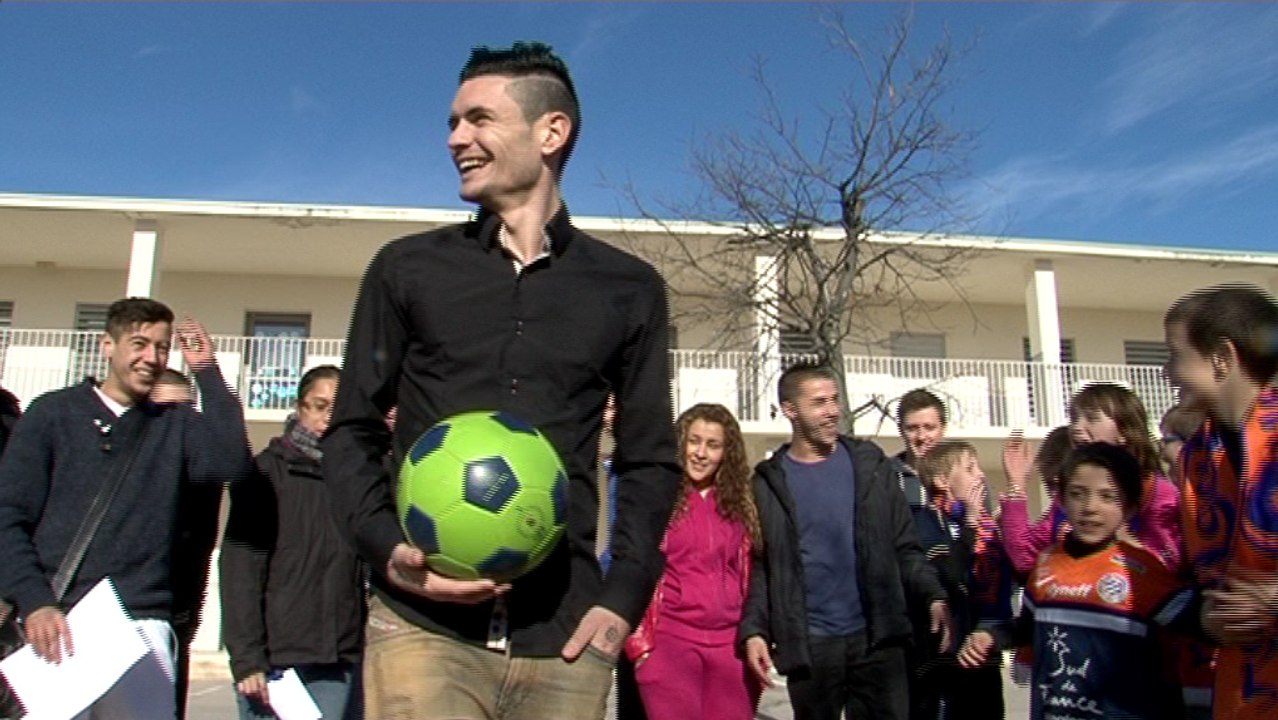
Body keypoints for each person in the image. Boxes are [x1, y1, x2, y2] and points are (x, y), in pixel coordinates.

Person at [322, 42, 681, 720]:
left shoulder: (629, 290)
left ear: (551, 132)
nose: (457, 138)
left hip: (566, 639)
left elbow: (649, 456)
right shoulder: (406, 270)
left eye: (479, 119)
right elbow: (352, 428)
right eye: (453, 123)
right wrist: (386, 547)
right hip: (422, 630)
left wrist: (623, 596)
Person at [0, 298, 250, 718]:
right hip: (57, 623)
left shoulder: (177, 425)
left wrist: (207, 372)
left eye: (162, 347)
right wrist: (35, 600)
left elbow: (232, 462)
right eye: (139, 343)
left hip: (141, 625)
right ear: (106, 346)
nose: (151, 357)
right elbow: (8, 516)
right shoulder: (53, 414)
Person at [739, 363, 950, 720]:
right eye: (819, 402)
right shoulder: (767, 483)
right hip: (811, 645)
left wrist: (933, 595)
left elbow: (905, 546)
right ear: (790, 410)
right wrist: (755, 629)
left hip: (878, 640)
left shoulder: (872, 466)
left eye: (835, 400)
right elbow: (763, 566)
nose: (833, 411)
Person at [960, 443, 1200, 719]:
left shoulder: (1144, 573)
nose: (1090, 508)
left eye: (1108, 497)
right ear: (1060, 498)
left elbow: (1203, 624)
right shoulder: (1046, 563)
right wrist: (991, 636)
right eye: (1078, 494)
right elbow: (1027, 628)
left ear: (1131, 507)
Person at [221, 364, 365, 720]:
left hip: (340, 657)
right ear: (301, 409)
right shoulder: (267, 474)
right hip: (277, 664)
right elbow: (240, 569)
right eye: (320, 405)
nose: (328, 417)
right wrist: (247, 659)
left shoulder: (357, 480)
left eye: (339, 407)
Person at [1164, 283, 1278, 720]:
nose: (1167, 372)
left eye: (1175, 354)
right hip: (1240, 695)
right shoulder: (1197, 459)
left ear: (1221, 358)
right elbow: (1200, 582)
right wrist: (1207, 616)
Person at [625, 403, 762, 719]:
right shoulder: (660, 498)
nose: (701, 453)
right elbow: (631, 566)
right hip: (670, 644)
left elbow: (754, 573)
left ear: (727, 453)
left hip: (731, 648)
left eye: (713, 445)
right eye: (694, 441)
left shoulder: (742, 504)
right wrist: (641, 650)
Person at [909, 440, 1011, 720]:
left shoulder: (987, 528)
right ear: (942, 481)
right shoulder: (927, 522)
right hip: (942, 663)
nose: (980, 475)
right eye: (969, 468)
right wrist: (970, 524)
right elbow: (946, 577)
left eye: (978, 467)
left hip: (983, 656)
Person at [153, 368, 225, 720]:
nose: (176, 424)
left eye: (186, 412)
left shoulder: (202, 471)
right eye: (166, 411)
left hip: (175, 613)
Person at [998, 426, 1072, 580]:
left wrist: (1016, 485)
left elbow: (1023, 556)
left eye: (1053, 484)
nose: (1053, 494)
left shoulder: (1065, 517)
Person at [893, 389, 947, 509]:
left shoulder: (965, 475)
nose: (921, 437)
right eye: (912, 428)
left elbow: (985, 526)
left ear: (943, 428)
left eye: (929, 427)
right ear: (901, 430)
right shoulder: (884, 477)